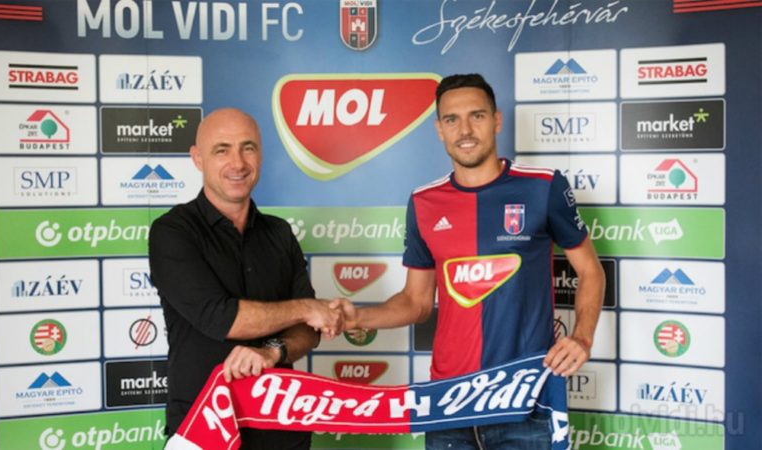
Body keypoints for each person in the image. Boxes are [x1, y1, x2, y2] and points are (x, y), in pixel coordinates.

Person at [339, 74, 605, 449]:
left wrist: (583, 337)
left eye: (476, 116)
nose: (464, 130)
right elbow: (416, 302)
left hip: (524, 398)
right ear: (439, 129)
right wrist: (358, 318)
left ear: (496, 120)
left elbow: (590, 271)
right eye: (452, 119)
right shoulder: (423, 202)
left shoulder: (543, 186)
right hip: (450, 401)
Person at [149, 108, 343, 450]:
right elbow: (221, 318)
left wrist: (273, 352)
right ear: (197, 158)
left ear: (261, 155)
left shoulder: (280, 233)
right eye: (221, 150)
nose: (237, 163)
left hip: (282, 428)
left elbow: (308, 331)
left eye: (248, 148)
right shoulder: (172, 231)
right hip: (203, 429)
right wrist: (306, 308)